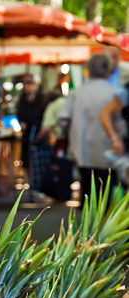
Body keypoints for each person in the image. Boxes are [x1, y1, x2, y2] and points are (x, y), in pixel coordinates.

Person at [58, 54, 122, 206]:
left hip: (82, 151)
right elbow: (121, 122)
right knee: (106, 191)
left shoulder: (77, 93)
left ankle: (88, 224)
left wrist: (71, 131)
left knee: (87, 186)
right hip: (108, 150)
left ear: (88, 70)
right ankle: (104, 224)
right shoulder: (115, 93)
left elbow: (62, 119)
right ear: (108, 71)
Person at [16, 74, 47, 181]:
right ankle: (29, 182)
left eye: (29, 83)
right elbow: (19, 114)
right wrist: (22, 122)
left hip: (39, 133)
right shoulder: (22, 98)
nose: (26, 85)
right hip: (27, 133)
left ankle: (38, 182)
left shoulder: (42, 98)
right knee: (26, 158)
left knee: (38, 159)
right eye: (24, 83)